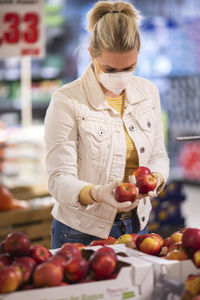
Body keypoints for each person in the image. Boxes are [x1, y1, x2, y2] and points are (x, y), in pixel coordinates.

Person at [44, 0, 169, 249]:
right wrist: (98, 193)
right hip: (80, 231)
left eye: (129, 67)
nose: (120, 76)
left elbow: (158, 155)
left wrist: (155, 178)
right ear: (91, 54)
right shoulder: (67, 101)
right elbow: (59, 180)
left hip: (137, 225)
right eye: (109, 69)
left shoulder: (148, 93)